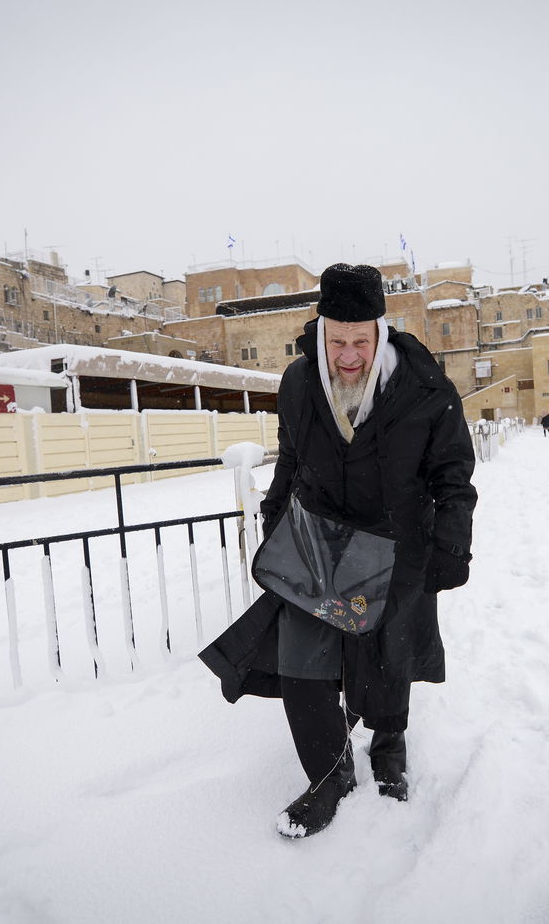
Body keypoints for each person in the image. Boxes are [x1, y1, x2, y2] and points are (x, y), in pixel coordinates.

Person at [199, 263, 477, 839]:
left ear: (380, 332)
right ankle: (329, 776)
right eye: (336, 341)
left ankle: (390, 744)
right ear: (320, 331)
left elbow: (453, 473)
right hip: (318, 548)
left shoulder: (426, 390)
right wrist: (276, 516)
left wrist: (453, 542)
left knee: (388, 656)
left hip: (398, 544)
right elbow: (292, 458)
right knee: (301, 664)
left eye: (360, 341)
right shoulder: (298, 384)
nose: (348, 355)